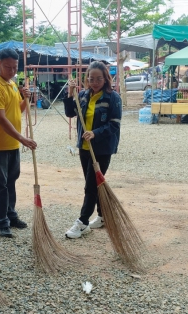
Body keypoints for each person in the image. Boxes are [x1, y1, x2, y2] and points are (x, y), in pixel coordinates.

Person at [62, 61, 122, 239]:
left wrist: (95, 133)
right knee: (95, 184)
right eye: (91, 78)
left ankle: (83, 222)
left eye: (99, 78)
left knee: (90, 185)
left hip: (102, 148)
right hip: (85, 148)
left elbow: (114, 125)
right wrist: (70, 94)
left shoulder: (113, 97)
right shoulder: (82, 95)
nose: (95, 82)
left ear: (106, 78)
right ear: (87, 79)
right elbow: (70, 113)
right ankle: (103, 216)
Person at [0, 48, 37, 238]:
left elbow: (17, 110)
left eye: (15, 67)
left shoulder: (12, 85)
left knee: (11, 181)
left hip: (12, 143)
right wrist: (22, 138)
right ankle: (1, 222)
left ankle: (11, 214)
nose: (12, 71)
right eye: (8, 67)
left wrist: (27, 100)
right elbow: (1, 119)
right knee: (0, 184)